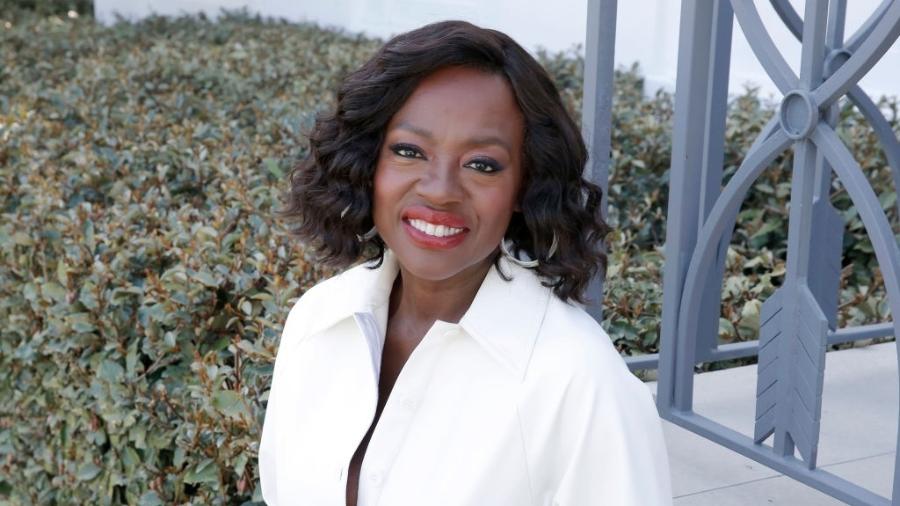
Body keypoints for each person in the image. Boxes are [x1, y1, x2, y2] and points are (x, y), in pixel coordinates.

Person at [260, 19, 672, 506]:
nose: (439, 190)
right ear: (370, 163)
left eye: (482, 164)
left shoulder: (579, 383)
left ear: (525, 186)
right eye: (409, 151)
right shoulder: (317, 318)